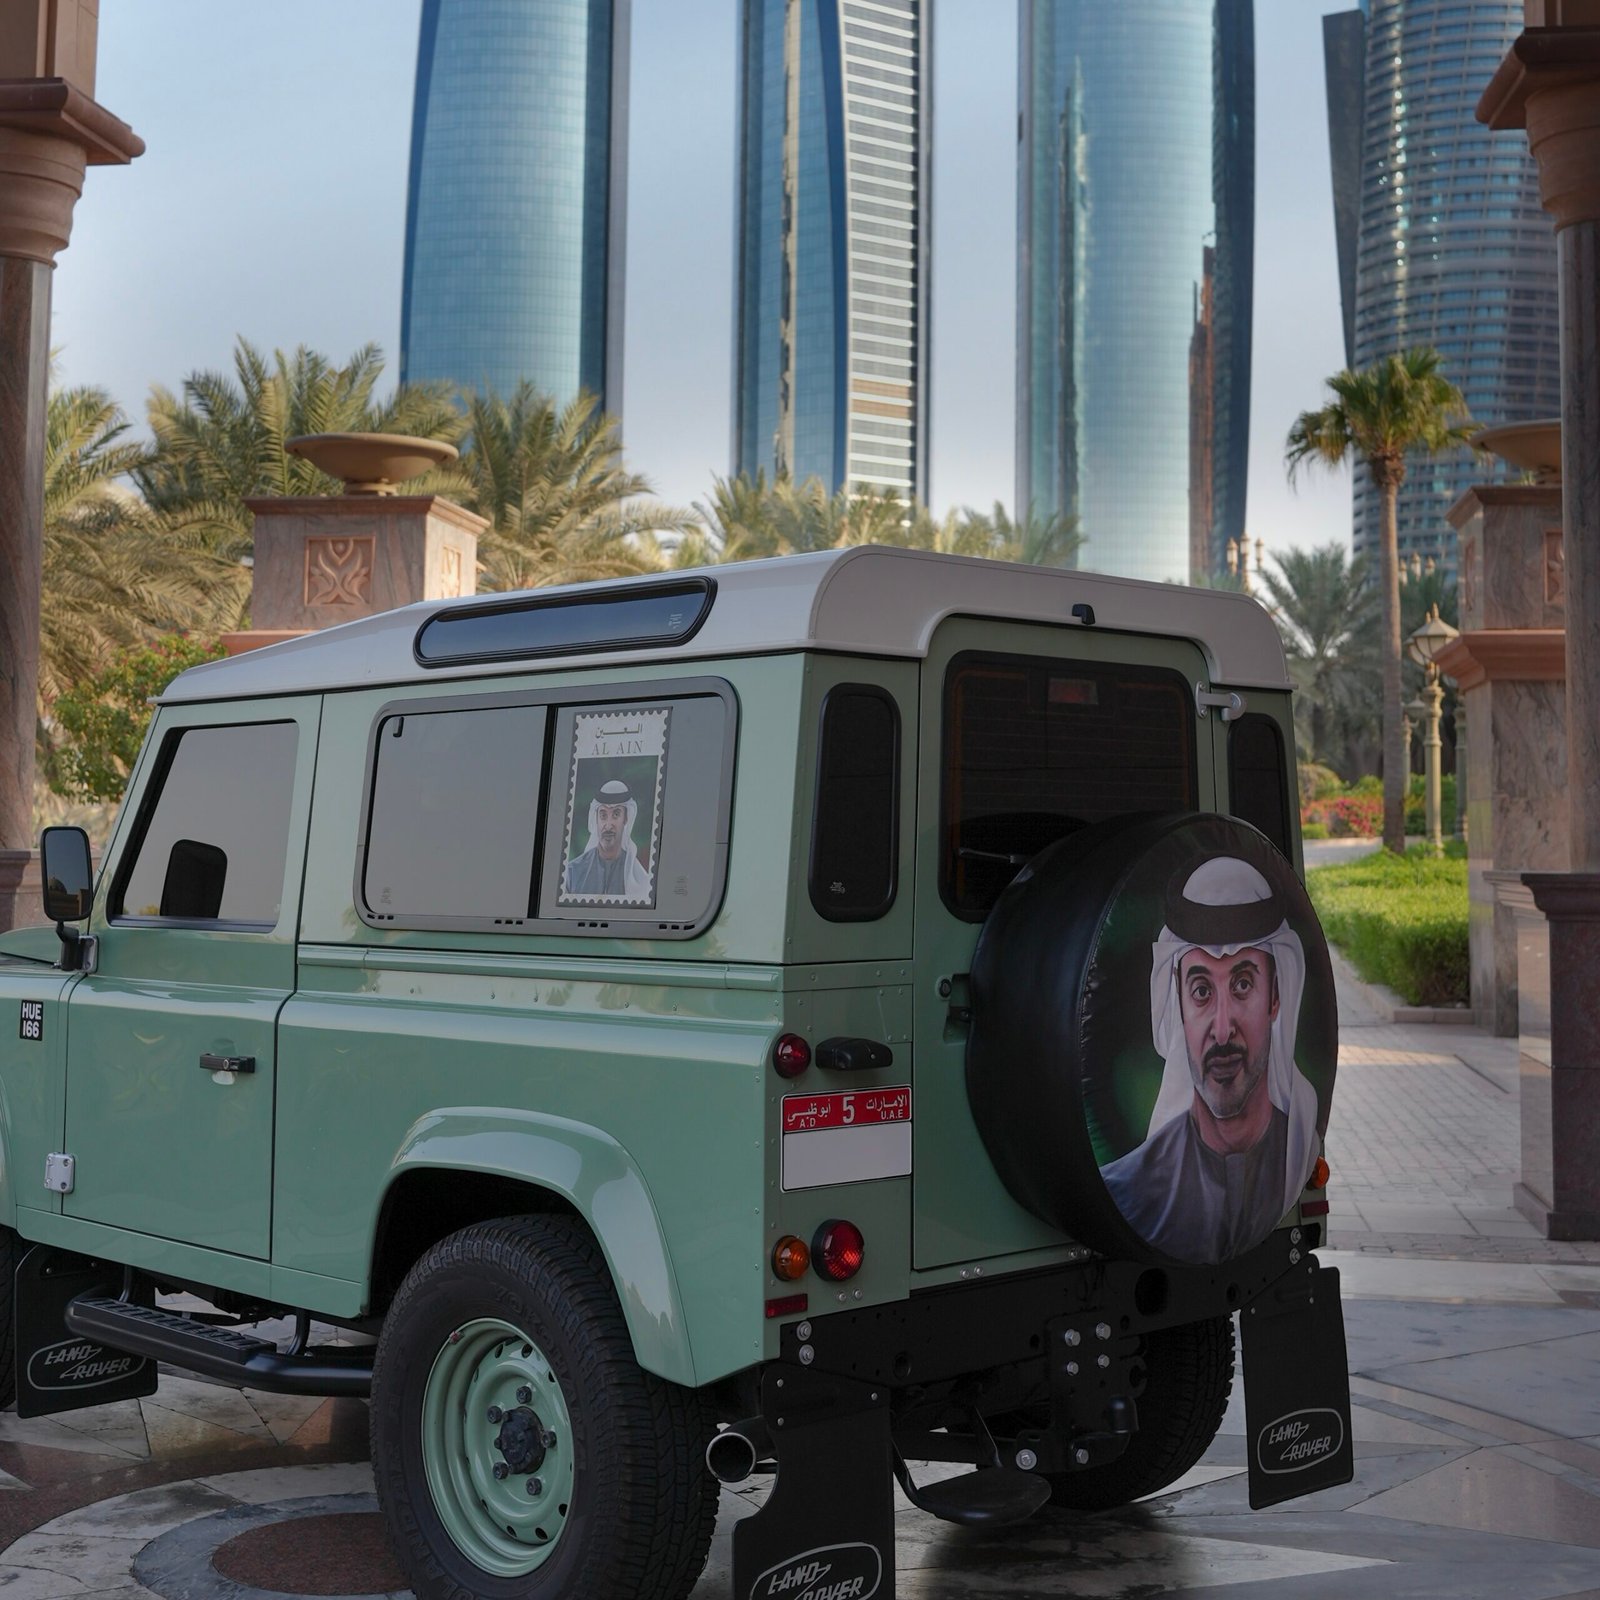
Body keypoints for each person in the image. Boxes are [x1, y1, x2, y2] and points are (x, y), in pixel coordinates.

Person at [1098, 855, 1320, 1264]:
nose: (1221, 1031)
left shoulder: (1299, 1153)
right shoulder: (1128, 1189)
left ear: (1275, 998)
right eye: (1201, 991)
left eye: (1242, 985)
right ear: (1179, 1006)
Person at [563, 776, 655, 902]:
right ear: (596, 818)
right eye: (603, 815)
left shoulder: (640, 882)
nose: (608, 825)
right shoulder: (572, 873)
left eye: (616, 814)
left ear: (626, 818)